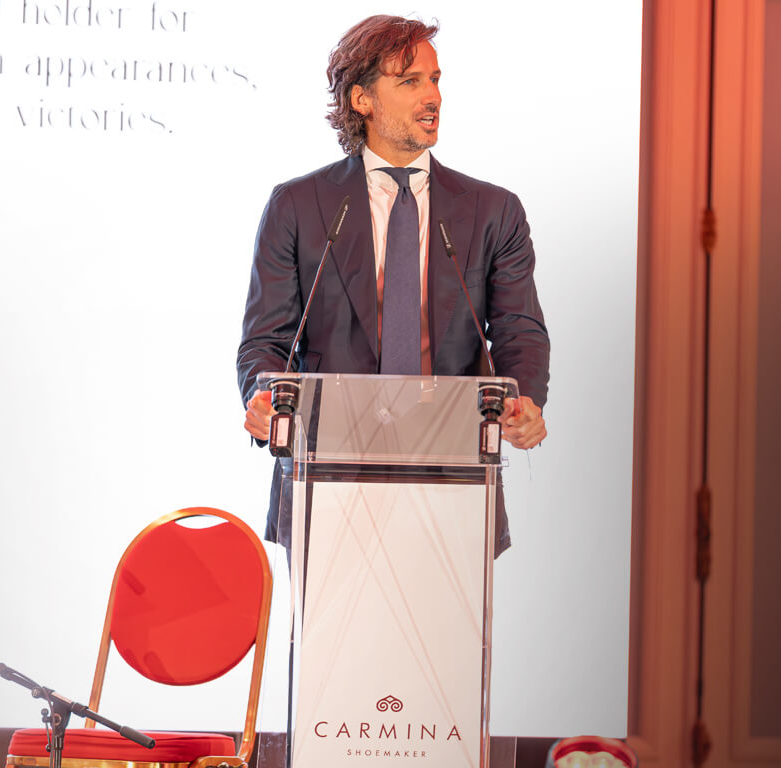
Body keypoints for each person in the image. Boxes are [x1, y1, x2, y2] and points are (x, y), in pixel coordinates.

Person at [236, 14, 550, 555]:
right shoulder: (298, 206)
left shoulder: (493, 211)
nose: (433, 97)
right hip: (328, 479)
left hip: (453, 476)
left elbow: (519, 330)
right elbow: (266, 341)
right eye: (410, 81)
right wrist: (264, 397)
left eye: (435, 79)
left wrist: (523, 401)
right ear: (362, 99)